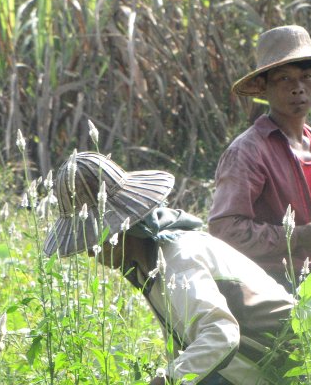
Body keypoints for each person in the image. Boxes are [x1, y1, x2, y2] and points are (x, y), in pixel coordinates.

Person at [43, 151, 295, 385]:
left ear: (123, 228)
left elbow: (221, 336)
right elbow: (186, 341)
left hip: (291, 364)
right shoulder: (145, 264)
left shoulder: (178, 257)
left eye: (93, 239)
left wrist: (165, 380)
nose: (90, 251)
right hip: (246, 368)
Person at [208, 25, 311, 288]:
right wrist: (297, 237)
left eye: (306, 77)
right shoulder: (248, 152)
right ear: (263, 87)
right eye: (284, 79)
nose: (298, 89)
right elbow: (224, 231)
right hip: (265, 292)